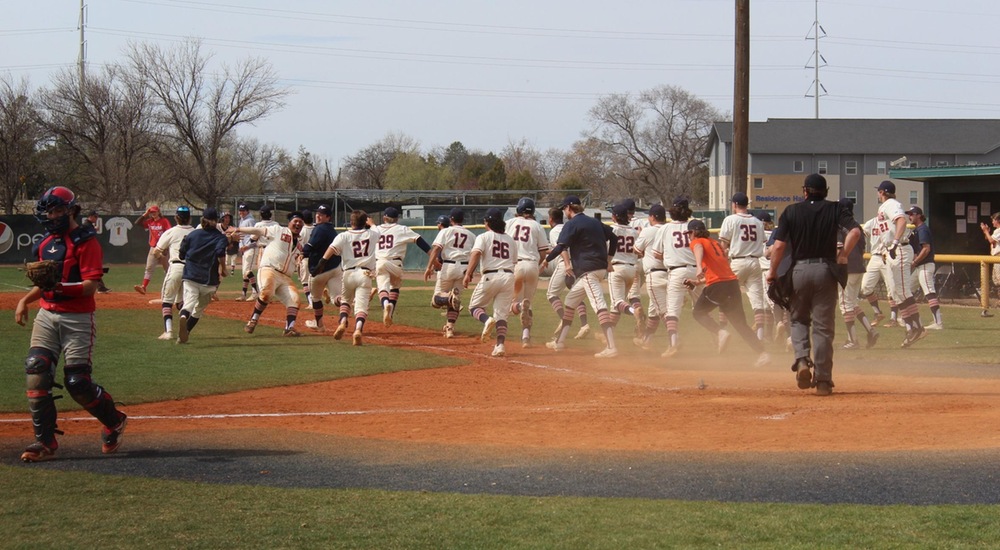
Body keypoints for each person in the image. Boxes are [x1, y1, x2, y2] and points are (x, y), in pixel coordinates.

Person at [15, 186, 128, 462]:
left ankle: (114, 421)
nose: (51, 216)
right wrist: (24, 301)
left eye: (56, 211)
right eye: (48, 212)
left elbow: (90, 287)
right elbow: (44, 285)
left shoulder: (86, 242)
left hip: (77, 318)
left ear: (70, 210)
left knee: (78, 383)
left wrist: (59, 286)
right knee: (36, 370)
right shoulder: (44, 243)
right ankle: (45, 442)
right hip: (47, 315)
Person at [767, 173, 861, 396]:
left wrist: (772, 272)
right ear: (825, 191)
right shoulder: (836, 208)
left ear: (805, 191)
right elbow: (855, 231)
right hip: (825, 271)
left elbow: (779, 246)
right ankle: (823, 381)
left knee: (798, 318)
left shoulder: (791, 211)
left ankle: (801, 360)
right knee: (823, 327)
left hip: (799, 270)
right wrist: (843, 255)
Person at [684, 219, 771, 367]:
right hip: (731, 285)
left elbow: (697, 246)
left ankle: (720, 332)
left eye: (690, 233)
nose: (689, 237)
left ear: (695, 232)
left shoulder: (698, 241)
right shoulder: (715, 243)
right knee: (740, 324)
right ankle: (763, 354)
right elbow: (719, 270)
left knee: (698, 313)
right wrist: (698, 282)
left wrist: (698, 266)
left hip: (718, 286)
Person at [542, 195, 619, 358]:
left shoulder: (572, 224)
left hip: (588, 271)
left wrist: (546, 261)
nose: (564, 212)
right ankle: (560, 342)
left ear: (569, 208)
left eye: (564, 209)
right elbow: (613, 237)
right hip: (598, 269)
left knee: (599, 305)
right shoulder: (594, 222)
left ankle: (612, 347)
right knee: (570, 301)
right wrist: (609, 259)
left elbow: (560, 246)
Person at [228, 211, 306, 337]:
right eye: (295, 221)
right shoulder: (278, 230)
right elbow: (258, 231)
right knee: (266, 294)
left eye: (300, 222)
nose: (298, 224)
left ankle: (289, 328)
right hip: (269, 269)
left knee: (295, 300)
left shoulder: (300, 243)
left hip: (285, 277)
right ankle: (253, 320)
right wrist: (239, 229)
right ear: (289, 223)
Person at [875, 180, 926, 347]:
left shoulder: (891, 203)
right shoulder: (885, 206)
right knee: (897, 294)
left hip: (900, 249)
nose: (878, 194)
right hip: (891, 251)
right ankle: (912, 327)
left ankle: (918, 327)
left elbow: (902, 221)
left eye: (879, 191)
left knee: (903, 291)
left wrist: (895, 243)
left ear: (882, 192)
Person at [319, 210, 380, 345]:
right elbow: (377, 231)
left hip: (348, 273)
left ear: (351, 222)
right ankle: (358, 330)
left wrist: (322, 262)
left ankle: (342, 323)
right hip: (365, 274)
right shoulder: (372, 233)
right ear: (364, 222)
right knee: (361, 306)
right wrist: (372, 224)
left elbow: (331, 249)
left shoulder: (344, 235)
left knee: (346, 301)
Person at [463, 207, 518, 357]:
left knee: (474, 307)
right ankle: (500, 345)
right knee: (502, 315)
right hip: (508, 276)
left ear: (487, 222)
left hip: (490, 276)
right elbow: (513, 262)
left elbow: (475, 254)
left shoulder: (484, 237)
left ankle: (486, 320)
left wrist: (468, 273)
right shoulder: (511, 240)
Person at [655, 197, 702, 357]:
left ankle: (673, 344)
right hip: (697, 272)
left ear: (672, 210)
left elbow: (657, 254)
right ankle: (719, 335)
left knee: (672, 311)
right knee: (703, 308)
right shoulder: (696, 225)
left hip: (677, 272)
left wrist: (672, 256)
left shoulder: (665, 228)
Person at [718, 192, 767, 341]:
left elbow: (723, 245)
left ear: (734, 204)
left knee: (724, 296)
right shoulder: (758, 222)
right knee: (758, 302)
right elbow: (762, 242)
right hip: (754, 262)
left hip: (737, 262)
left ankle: (722, 332)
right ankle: (759, 336)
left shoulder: (730, 219)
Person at [175, 207, 229, 344]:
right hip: (209, 280)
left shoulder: (192, 234)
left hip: (190, 276)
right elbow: (220, 253)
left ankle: (183, 315)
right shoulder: (220, 237)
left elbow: (181, 254)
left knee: (188, 303)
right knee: (199, 309)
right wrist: (223, 268)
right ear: (217, 221)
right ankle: (185, 331)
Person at [505, 197, 551, 347]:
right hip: (532, 265)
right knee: (528, 303)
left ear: (519, 210)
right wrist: (537, 266)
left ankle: (517, 309)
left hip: (515, 265)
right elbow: (543, 253)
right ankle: (526, 337)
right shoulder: (537, 226)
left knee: (511, 303)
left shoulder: (510, 223)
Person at [375, 206, 431, 327]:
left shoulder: (376, 229)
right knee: (395, 286)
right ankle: (390, 313)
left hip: (380, 262)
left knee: (383, 289)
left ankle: (386, 305)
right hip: (396, 264)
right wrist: (433, 257)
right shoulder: (402, 229)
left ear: (384, 217)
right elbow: (419, 241)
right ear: (397, 219)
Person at [544, 205, 592, 341]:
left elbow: (562, 247)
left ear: (551, 219)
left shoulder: (554, 231)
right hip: (577, 263)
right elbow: (558, 247)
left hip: (565, 264)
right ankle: (584, 325)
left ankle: (563, 320)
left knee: (552, 294)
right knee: (576, 295)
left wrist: (566, 264)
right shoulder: (569, 227)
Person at [424, 208, 473, 338]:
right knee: (455, 301)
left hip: (449, 265)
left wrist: (429, 267)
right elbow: (474, 256)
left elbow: (436, 249)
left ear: (451, 219)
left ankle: (448, 298)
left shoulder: (446, 231)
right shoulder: (471, 235)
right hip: (464, 267)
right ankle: (450, 328)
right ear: (463, 219)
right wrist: (470, 273)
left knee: (436, 300)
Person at [836, 199, 879, 350]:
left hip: (846, 269)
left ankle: (853, 341)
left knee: (845, 305)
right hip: (859, 267)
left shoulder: (840, 226)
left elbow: (838, 250)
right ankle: (870, 330)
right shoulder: (857, 227)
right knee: (853, 303)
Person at [151, 206, 195, 340]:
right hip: (191, 269)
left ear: (176, 217)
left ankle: (168, 331)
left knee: (167, 301)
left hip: (176, 267)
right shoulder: (195, 232)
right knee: (182, 302)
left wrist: (163, 255)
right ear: (190, 218)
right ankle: (183, 319)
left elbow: (156, 251)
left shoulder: (171, 232)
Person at [633, 204, 668, 351]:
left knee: (662, 311)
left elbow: (636, 251)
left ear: (652, 217)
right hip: (671, 273)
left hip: (654, 274)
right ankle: (647, 341)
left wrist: (642, 236)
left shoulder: (648, 231)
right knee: (653, 311)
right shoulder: (669, 229)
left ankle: (675, 339)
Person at [606, 203, 645, 335]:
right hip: (632, 269)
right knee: (617, 305)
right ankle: (608, 335)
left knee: (617, 303)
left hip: (617, 268)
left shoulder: (612, 229)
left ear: (615, 217)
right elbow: (640, 252)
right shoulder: (634, 232)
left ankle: (635, 312)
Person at [303, 204, 342, 331]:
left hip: (320, 270)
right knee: (336, 298)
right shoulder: (332, 229)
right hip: (335, 268)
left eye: (322, 214)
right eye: (317, 213)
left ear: (328, 217)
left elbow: (310, 247)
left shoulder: (320, 229)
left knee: (315, 298)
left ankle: (319, 324)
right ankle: (350, 302)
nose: (318, 216)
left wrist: (299, 252)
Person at [908, 206, 942, 329]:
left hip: (925, 265)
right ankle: (910, 318)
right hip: (919, 267)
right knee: (907, 291)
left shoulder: (922, 229)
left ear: (918, 215)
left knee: (929, 292)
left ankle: (938, 323)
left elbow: (926, 249)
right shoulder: (916, 230)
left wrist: (915, 261)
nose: (909, 216)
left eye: (911, 214)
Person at [134, 204, 172, 295]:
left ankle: (169, 289)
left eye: (154, 211)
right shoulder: (150, 221)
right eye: (151, 212)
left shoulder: (164, 221)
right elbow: (137, 223)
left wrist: (167, 246)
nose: (153, 213)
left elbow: (170, 233)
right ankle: (143, 287)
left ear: (159, 212)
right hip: (153, 247)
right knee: (149, 268)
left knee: (168, 269)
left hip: (163, 248)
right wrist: (145, 214)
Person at [81, 210, 112, 293]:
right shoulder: (86, 225)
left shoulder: (89, 224)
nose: (96, 218)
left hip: (90, 250)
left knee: (94, 268)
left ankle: (101, 287)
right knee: (93, 268)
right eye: (95, 217)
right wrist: (94, 230)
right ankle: (100, 287)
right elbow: (89, 235)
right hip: (88, 251)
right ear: (90, 216)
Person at [236, 204, 259, 301]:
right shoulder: (242, 220)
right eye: (240, 210)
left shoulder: (250, 221)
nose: (241, 212)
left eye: (243, 211)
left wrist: (247, 246)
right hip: (245, 250)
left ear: (248, 211)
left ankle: (256, 292)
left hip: (251, 249)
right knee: (244, 274)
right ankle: (243, 295)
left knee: (247, 271)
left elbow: (255, 235)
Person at [979, 212, 1000, 317]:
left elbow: (991, 239)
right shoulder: (997, 231)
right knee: (996, 282)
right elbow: (989, 239)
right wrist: (986, 232)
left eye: (993, 220)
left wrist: (986, 231)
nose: (992, 222)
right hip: (995, 258)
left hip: (999, 257)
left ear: (998, 221)